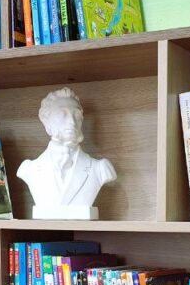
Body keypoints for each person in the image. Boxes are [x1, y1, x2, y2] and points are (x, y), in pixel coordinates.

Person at [17, 87, 117, 217]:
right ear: (46, 121)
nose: (72, 121)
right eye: (62, 114)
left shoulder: (100, 169)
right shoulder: (29, 169)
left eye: (77, 115)